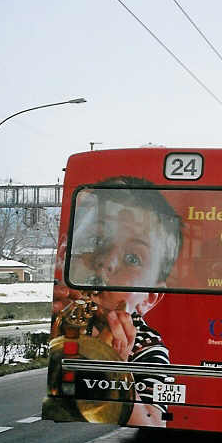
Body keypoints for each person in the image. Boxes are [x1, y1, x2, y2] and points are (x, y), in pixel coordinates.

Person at [52, 176, 182, 427]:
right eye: (97, 242)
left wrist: (117, 368)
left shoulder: (146, 347)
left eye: (133, 259)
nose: (106, 262)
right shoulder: (64, 311)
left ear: (149, 297)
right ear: (64, 256)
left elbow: (153, 420)